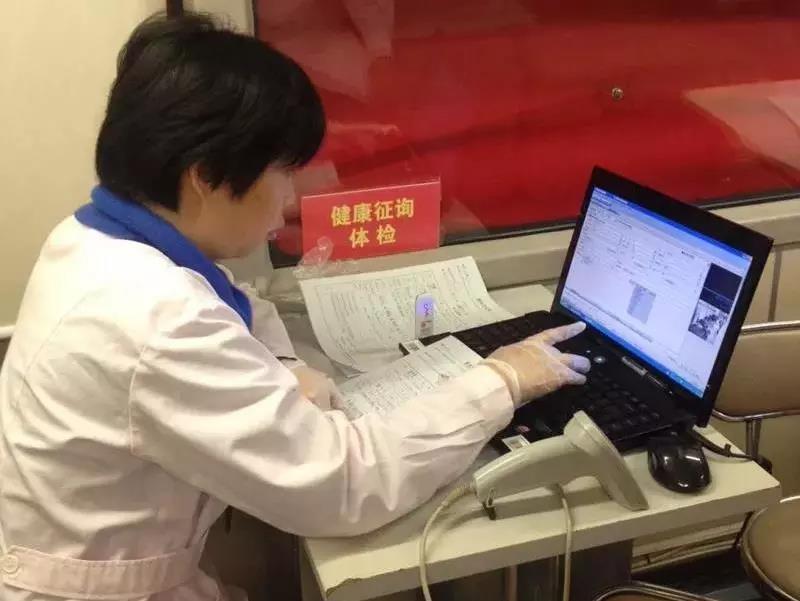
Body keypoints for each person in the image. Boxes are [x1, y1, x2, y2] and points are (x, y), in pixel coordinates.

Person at [0, 12, 590, 601]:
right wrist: (501, 381)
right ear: (205, 176)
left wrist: (284, 367)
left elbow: (234, 302)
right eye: (282, 171)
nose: (289, 197)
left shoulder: (94, 240)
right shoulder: (155, 318)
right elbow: (345, 486)